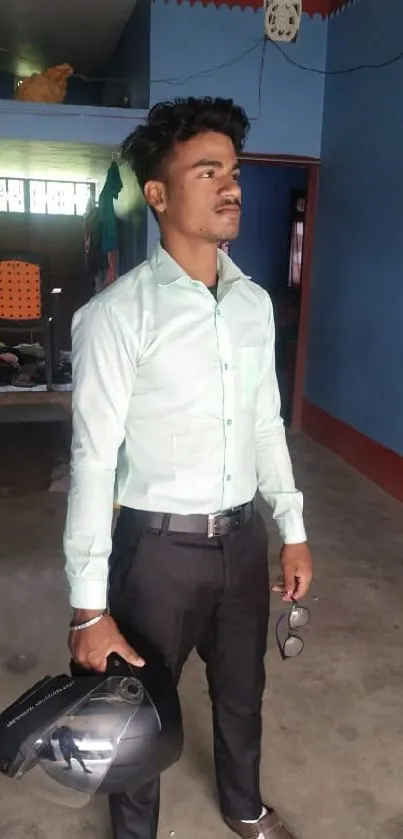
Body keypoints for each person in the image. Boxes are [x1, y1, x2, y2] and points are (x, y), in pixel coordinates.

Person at [64, 97, 313, 839]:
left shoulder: (252, 305)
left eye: (232, 171)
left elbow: (265, 421)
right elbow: (92, 460)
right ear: (159, 194)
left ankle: (242, 803)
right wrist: (87, 607)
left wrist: (291, 529)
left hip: (240, 544)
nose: (229, 185)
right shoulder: (116, 316)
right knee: (133, 709)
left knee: (242, 689)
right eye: (207, 172)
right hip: (154, 553)